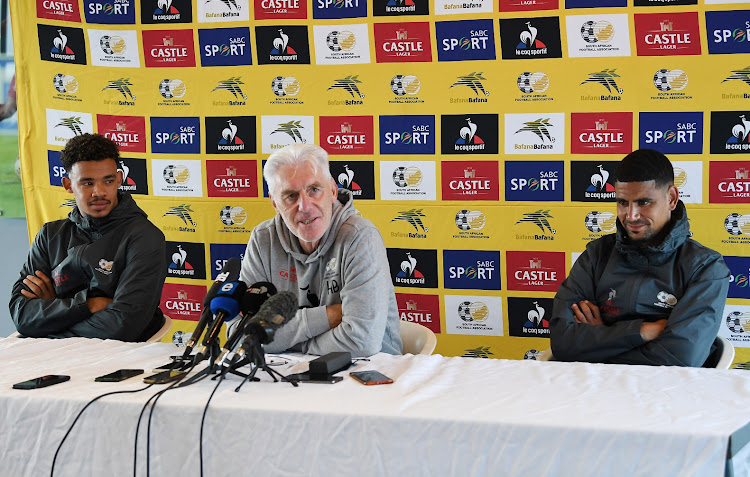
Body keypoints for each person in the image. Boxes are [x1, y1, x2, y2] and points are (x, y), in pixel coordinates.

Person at [549, 149, 730, 366]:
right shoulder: (596, 255)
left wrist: (601, 339)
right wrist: (645, 331)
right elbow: (562, 342)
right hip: (594, 392)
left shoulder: (705, 267)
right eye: (623, 203)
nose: (631, 215)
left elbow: (681, 358)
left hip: (668, 394)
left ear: (671, 198)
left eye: (644, 202)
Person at [238, 144, 402, 356]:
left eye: (314, 190)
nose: (305, 206)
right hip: (287, 375)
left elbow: (362, 341)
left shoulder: (360, 237)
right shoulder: (263, 240)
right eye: (290, 196)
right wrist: (328, 316)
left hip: (371, 374)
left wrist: (294, 345)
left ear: (333, 191)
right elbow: (241, 335)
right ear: (275, 204)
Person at [10, 134, 167, 341]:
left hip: (118, 361)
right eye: (87, 183)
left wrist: (53, 312)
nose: (99, 192)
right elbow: (22, 316)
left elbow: (123, 326)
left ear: (119, 179)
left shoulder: (145, 237)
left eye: (108, 181)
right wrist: (89, 305)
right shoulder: (50, 235)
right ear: (68, 185)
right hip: (53, 361)